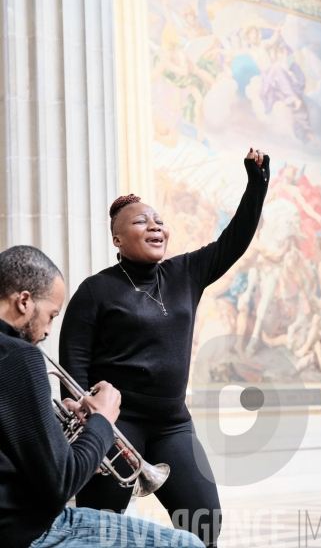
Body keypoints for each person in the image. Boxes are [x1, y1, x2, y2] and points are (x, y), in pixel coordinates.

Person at [59, 149, 270, 548]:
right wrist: (89, 427)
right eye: (141, 222)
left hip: (172, 423)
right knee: (99, 527)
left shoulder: (185, 273)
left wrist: (256, 185)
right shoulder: (96, 290)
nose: (155, 226)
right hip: (117, 425)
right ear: (117, 239)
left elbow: (235, 239)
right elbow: (74, 367)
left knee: (205, 522)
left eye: (158, 220)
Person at [0, 245, 204, 548]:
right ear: (24, 301)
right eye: (51, 315)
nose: (47, 331)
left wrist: (56, 430)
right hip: (28, 531)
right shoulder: (20, 357)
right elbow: (61, 484)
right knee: (188, 543)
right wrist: (102, 420)